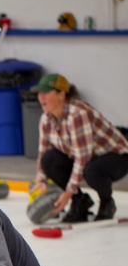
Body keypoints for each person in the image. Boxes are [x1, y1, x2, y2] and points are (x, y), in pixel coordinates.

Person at [29, 74, 128, 222]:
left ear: (61, 94)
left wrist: (68, 193)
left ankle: (107, 203)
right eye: (39, 93)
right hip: (89, 159)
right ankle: (80, 201)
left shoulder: (77, 114)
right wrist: (40, 180)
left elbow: (83, 158)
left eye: (46, 92)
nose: (41, 97)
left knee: (92, 171)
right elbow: (43, 151)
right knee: (49, 159)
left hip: (117, 158)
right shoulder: (46, 119)